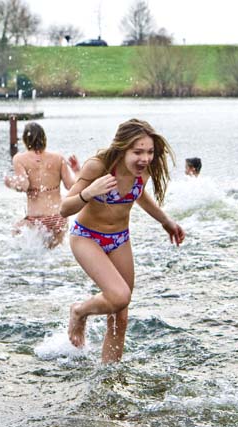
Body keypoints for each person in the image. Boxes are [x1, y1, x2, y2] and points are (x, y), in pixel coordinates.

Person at [60, 118, 186, 364]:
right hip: (87, 237)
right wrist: (89, 192)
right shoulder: (98, 167)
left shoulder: (144, 170)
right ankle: (79, 311)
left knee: (121, 317)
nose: (145, 158)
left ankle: (109, 375)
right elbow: (64, 208)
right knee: (119, 296)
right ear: (122, 148)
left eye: (149, 152)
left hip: (119, 239)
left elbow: (139, 195)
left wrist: (165, 221)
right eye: (138, 152)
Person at [4, 122, 78, 248]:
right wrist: (76, 171)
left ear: (25, 140)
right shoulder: (58, 158)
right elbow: (71, 185)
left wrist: (9, 182)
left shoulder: (19, 159)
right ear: (44, 138)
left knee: (15, 234)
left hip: (36, 219)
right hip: (59, 216)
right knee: (53, 254)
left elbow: (23, 185)